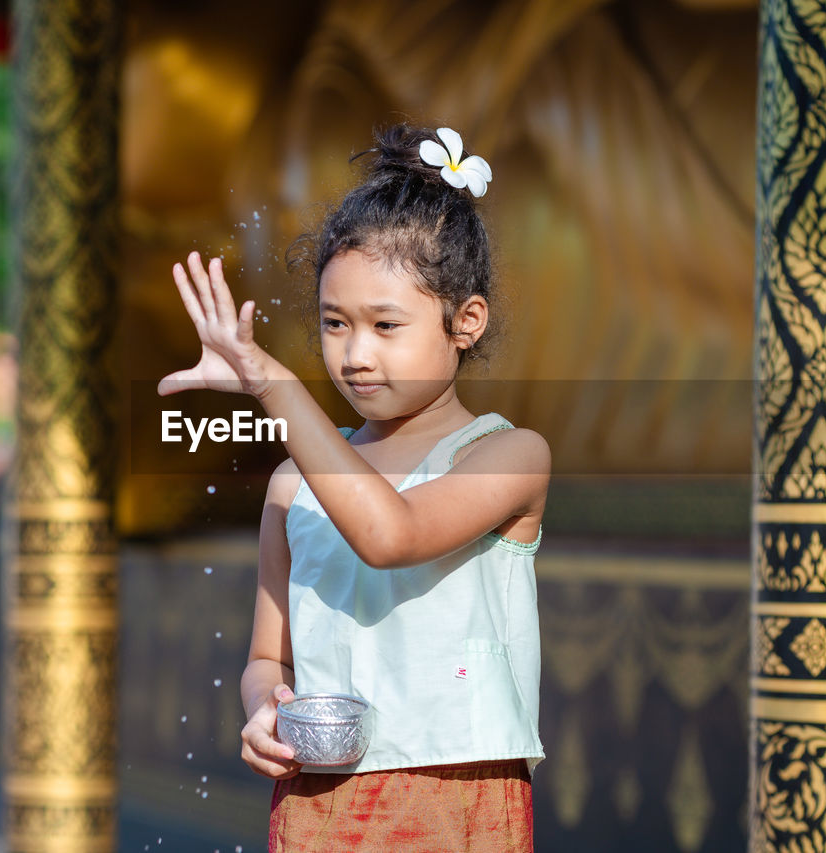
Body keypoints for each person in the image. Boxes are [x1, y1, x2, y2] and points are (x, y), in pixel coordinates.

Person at [158, 123, 549, 852]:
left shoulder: (508, 454)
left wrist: (271, 383)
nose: (355, 353)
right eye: (335, 323)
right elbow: (267, 659)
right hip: (318, 800)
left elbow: (390, 534)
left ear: (466, 322)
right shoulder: (291, 485)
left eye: (385, 325)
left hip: (455, 803)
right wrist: (263, 709)